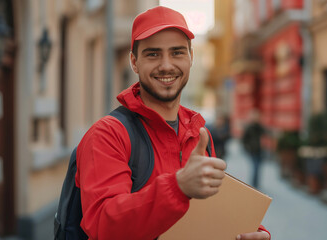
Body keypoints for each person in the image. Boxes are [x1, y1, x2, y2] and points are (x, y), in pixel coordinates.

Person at [75, 6, 270, 240]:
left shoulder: (198, 134)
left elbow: (209, 215)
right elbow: (103, 226)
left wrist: (252, 232)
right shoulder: (107, 135)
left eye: (177, 52)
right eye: (153, 54)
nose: (166, 65)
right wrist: (177, 188)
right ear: (134, 62)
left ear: (190, 57)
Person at [242, 110, 265, 189]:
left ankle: (256, 183)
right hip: (252, 150)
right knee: (255, 166)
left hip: (259, 150)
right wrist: (247, 148)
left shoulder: (259, 126)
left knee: (258, 167)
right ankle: (254, 184)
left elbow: (265, 132)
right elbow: (244, 139)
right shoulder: (249, 127)